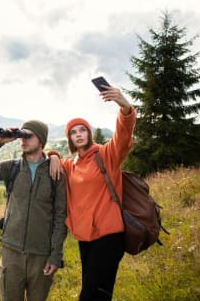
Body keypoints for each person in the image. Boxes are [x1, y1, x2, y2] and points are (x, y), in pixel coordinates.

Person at [48, 85, 136, 300]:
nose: (78, 135)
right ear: (70, 139)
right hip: (85, 237)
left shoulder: (106, 155)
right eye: (73, 132)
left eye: (82, 130)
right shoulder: (70, 166)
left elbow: (123, 137)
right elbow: (51, 160)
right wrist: (52, 155)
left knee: (89, 294)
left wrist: (125, 106)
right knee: (100, 293)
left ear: (89, 133)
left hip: (109, 235)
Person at [0, 120, 67, 301]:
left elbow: (61, 217)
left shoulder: (56, 173)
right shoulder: (12, 167)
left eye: (28, 136)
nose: (23, 140)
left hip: (41, 255)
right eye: (21, 135)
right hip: (11, 253)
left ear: (41, 141)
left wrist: (55, 257)